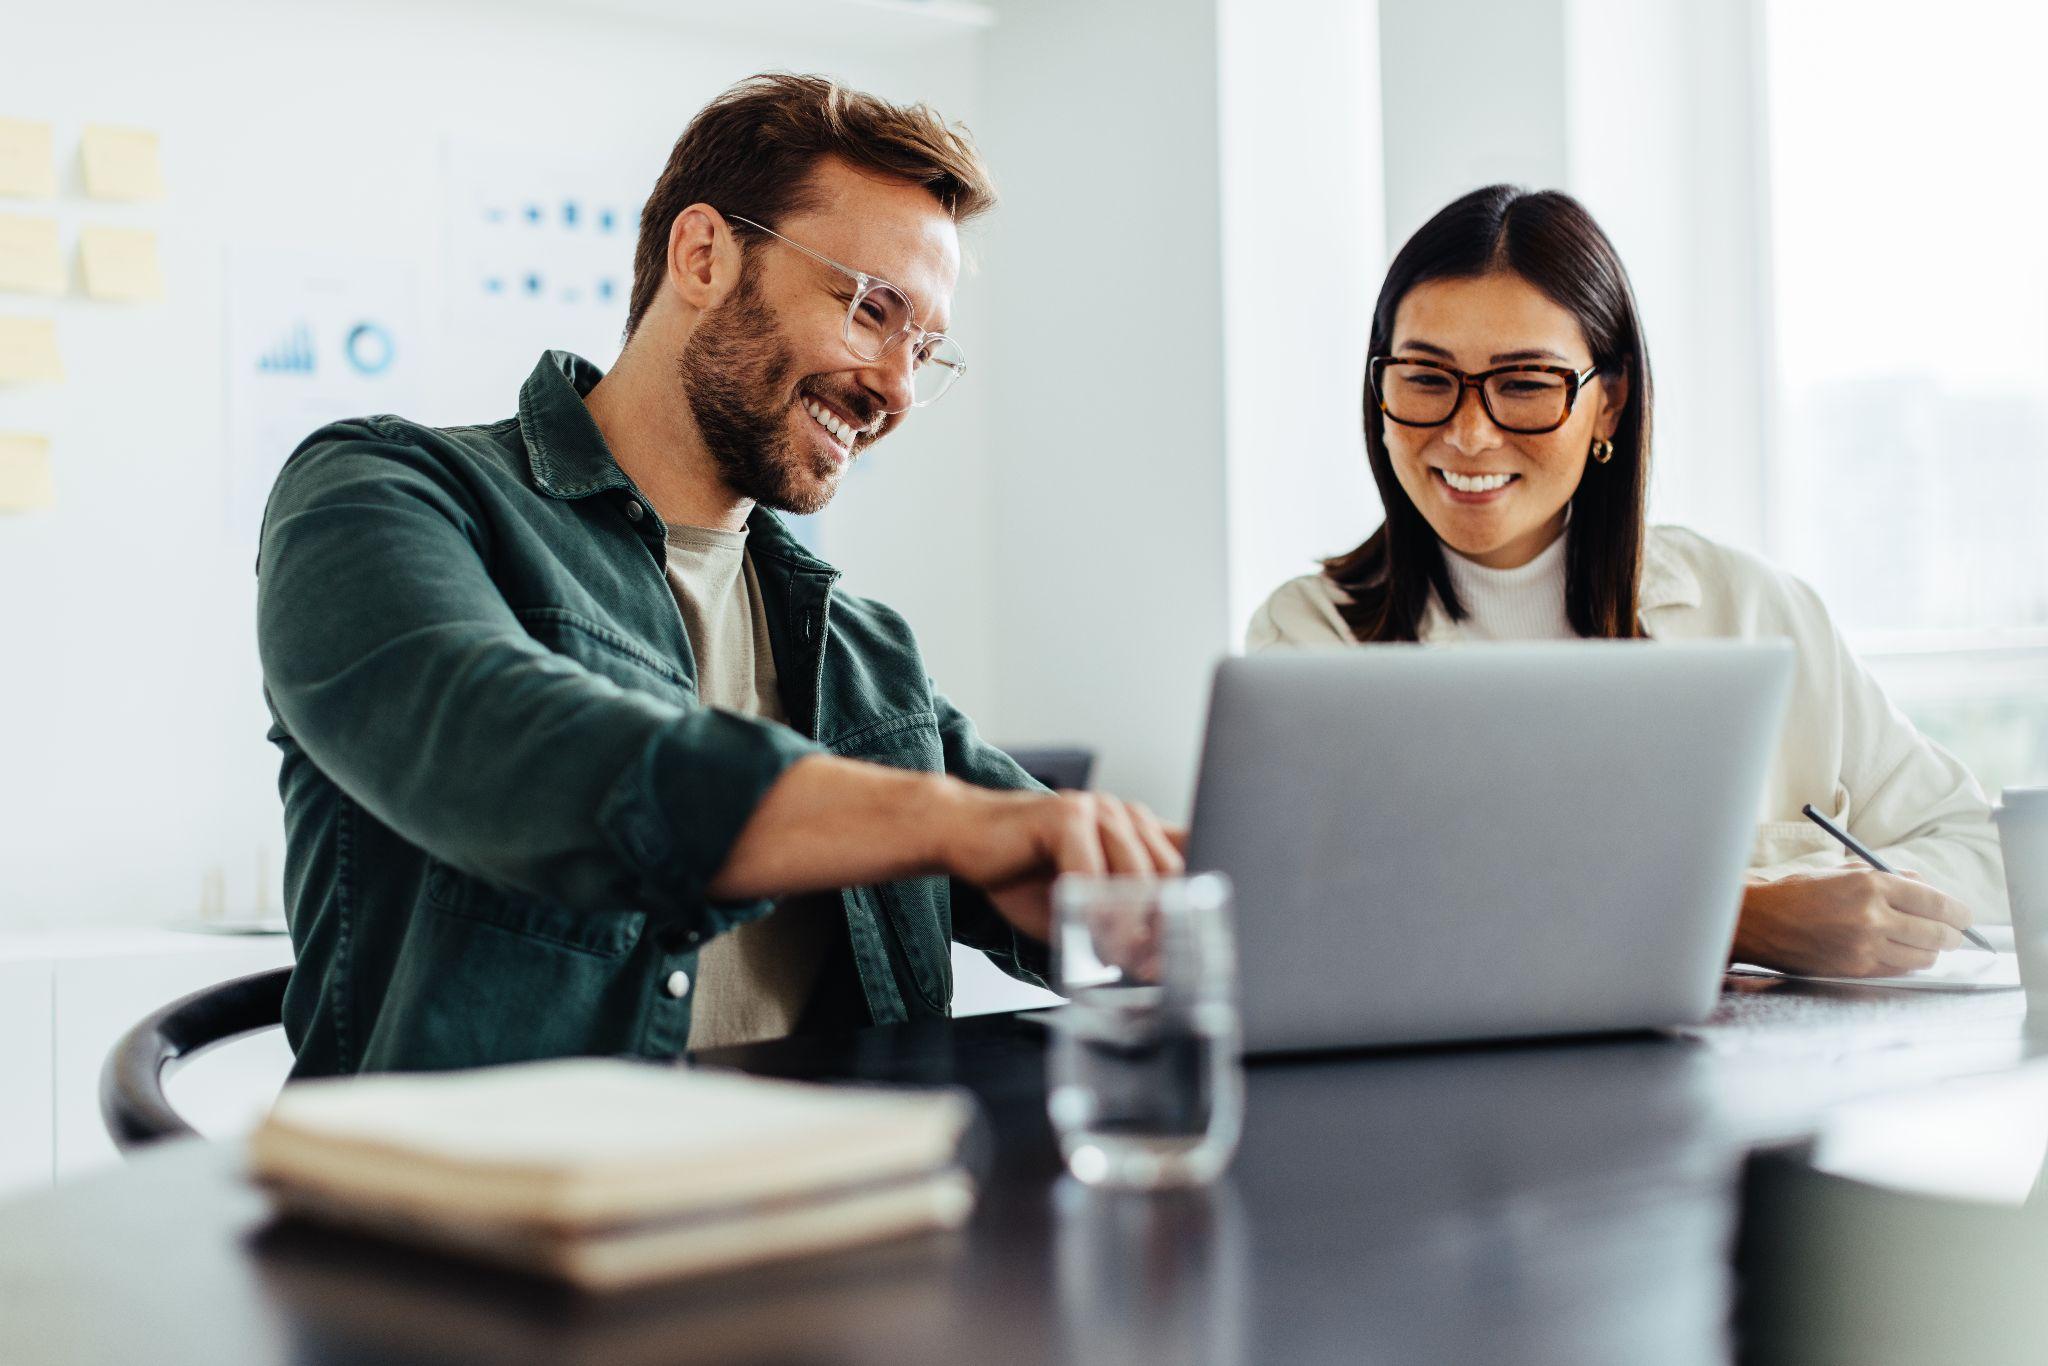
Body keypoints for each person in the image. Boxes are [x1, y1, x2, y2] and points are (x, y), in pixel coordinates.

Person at [257, 74, 1181, 1077]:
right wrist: (949, 823)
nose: (896, 389)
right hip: (493, 1215)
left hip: (843, 1205)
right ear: (702, 255)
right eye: (871, 310)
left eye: (924, 348)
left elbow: (1041, 854)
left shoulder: (864, 653)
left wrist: (1157, 893)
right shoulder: (385, 491)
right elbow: (510, 743)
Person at [1247, 185, 2003, 980]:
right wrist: (1737, 918)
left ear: (1608, 404)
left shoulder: (1752, 609)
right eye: (1426, 379)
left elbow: (1982, 852)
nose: (1469, 433)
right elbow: (1325, 920)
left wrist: (1842, 906)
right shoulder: (1309, 640)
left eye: (1526, 384)